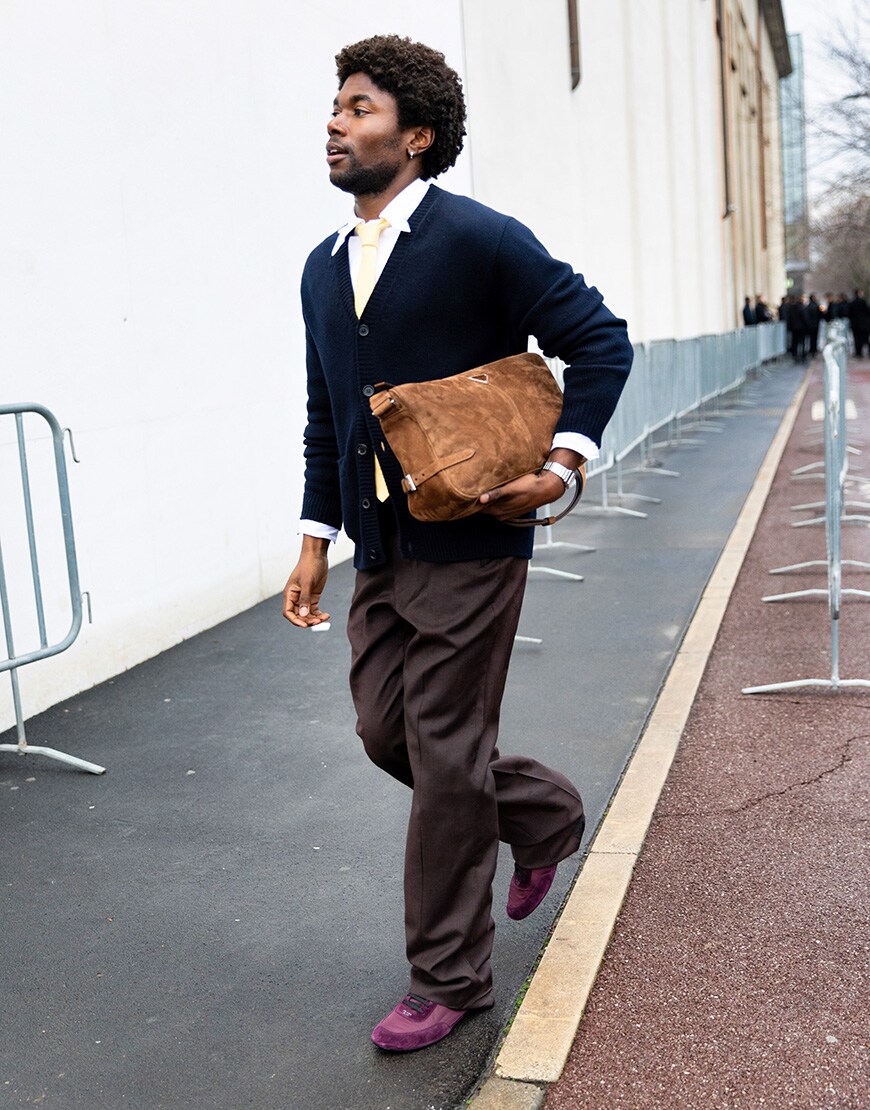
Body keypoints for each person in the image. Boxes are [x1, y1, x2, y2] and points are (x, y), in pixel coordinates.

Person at [282, 35, 633, 1052]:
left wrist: (563, 464)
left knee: (441, 754)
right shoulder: (323, 268)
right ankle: (541, 814)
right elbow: (325, 414)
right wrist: (314, 537)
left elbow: (600, 340)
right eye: (336, 106)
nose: (335, 123)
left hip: (475, 540)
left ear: (418, 136)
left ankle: (449, 977)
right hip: (381, 547)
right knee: (384, 732)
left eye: (359, 108)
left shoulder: (481, 239)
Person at [848, 290, 870, 358]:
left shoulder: (852, 303)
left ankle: (858, 352)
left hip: (855, 324)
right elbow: (867, 312)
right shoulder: (863, 302)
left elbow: (849, 313)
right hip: (863, 323)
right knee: (865, 338)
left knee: (856, 338)